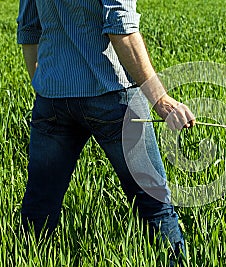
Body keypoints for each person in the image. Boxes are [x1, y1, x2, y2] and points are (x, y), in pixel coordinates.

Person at [17, 0, 195, 265]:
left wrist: (45, 84)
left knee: (39, 206)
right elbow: (121, 28)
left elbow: (29, 29)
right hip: (113, 97)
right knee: (153, 204)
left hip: (51, 97)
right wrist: (162, 100)